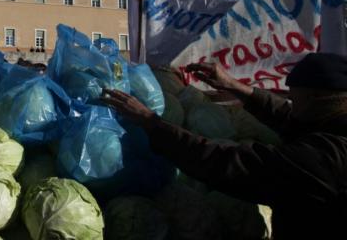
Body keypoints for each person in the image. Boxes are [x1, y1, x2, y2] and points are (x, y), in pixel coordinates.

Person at [101, 53, 347, 240]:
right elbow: (287, 116)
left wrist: (152, 123)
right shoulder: (333, 122)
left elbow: (225, 163)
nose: (290, 100)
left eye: (295, 96)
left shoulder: (325, 159)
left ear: (318, 98)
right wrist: (235, 86)